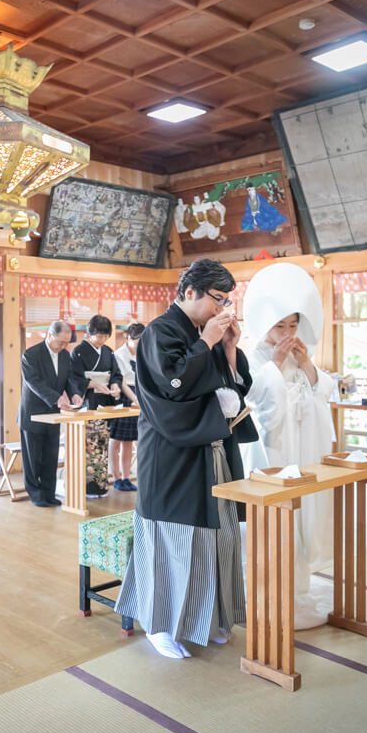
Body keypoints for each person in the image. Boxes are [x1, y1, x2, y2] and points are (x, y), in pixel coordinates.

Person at [114, 259, 258, 659]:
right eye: (217, 298)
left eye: (227, 300)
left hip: (210, 451)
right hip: (172, 455)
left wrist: (228, 349)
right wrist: (207, 343)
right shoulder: (161, 332)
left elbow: (230, 390)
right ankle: (159, 625)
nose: (222, 308)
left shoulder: (203, 333)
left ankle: (206, 618)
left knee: (217, 537)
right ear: (189, 291)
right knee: (173, 542)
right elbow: (173, 390)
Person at [240, 262, 337, 629]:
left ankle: (297, 591)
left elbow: (320, 391)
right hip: (269, 453)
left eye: (293, 325)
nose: (287, 332)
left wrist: (306, 362)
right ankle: (263, 592)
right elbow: (253, 401)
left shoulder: (299, 355)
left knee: (300, 518)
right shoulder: (253, 356)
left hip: (300, 451)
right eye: (280, 325)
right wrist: (276, 365)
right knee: (271, 521)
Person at [17, 320, 83, 508]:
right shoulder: (31, 355)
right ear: (50, 335)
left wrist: (75, 394)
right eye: (60, 342)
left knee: (51, 455)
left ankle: (49, 492)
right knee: (33, 458)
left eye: (66, 343)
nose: (63, 346)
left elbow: (69, 379)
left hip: (54, 413)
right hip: (33, 413)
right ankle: (35, 494)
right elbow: (34, 382)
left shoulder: (65, 356)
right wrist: (57, 398)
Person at [70, 314, 122, 497]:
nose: (102, 340)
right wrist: (92, 383)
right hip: (88, 402)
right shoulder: (77, 352)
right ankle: (84, 488)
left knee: (101, 445)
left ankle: (100, 485)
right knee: (88, 446)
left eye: (105, 336)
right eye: (98, 336)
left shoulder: (108, 352)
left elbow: (116, 374)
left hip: (105, 403)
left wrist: (115, 385)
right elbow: (74, 378)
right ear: (88, 333)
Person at [109, 322, 144, 491]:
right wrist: (135, 398)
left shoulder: (142, 354)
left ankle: (126, 477)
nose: (140, 346)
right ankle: (116, 477)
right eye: (137, 342)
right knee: (116, 440)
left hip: (138, 395)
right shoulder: (118, 355)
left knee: (129, 441)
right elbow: (120, 380)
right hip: (123, 395)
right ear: (129, 338)